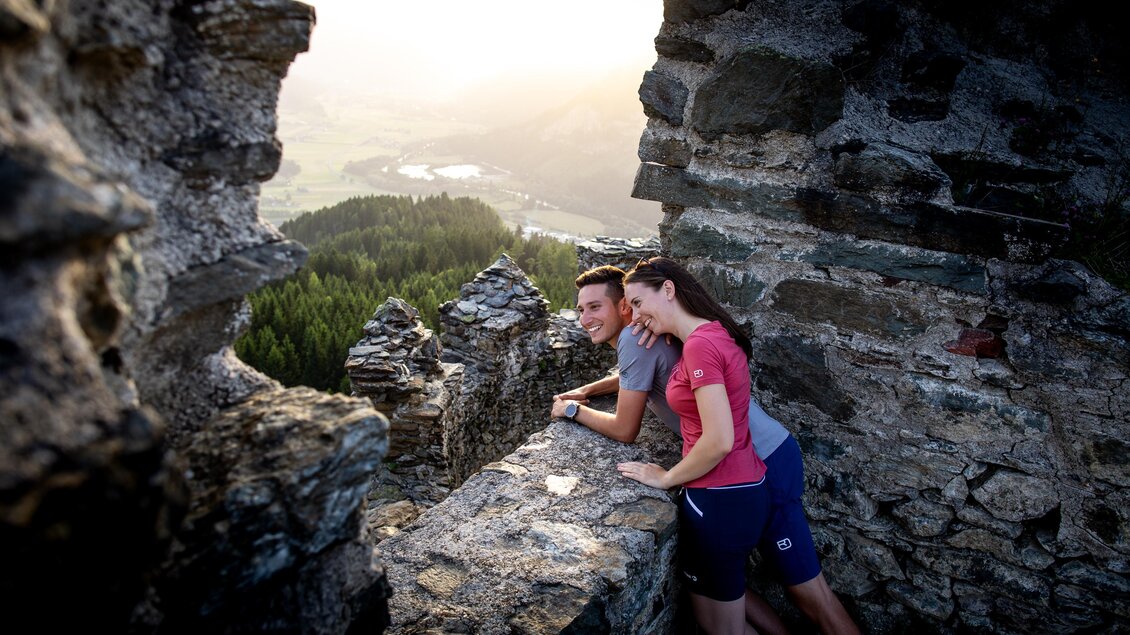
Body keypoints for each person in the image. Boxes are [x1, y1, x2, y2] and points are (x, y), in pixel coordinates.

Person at [553, 260, 858, 635]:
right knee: (735, 584)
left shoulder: (641, 336)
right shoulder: (670, 333)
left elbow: (625, 428)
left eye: (597, 306)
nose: (585, 318)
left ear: (629, 305)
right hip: (765, 455)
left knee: (809, 595)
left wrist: (572, 409)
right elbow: (634, 376)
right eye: (580, 308)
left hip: (756, 461)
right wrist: (590, 389)